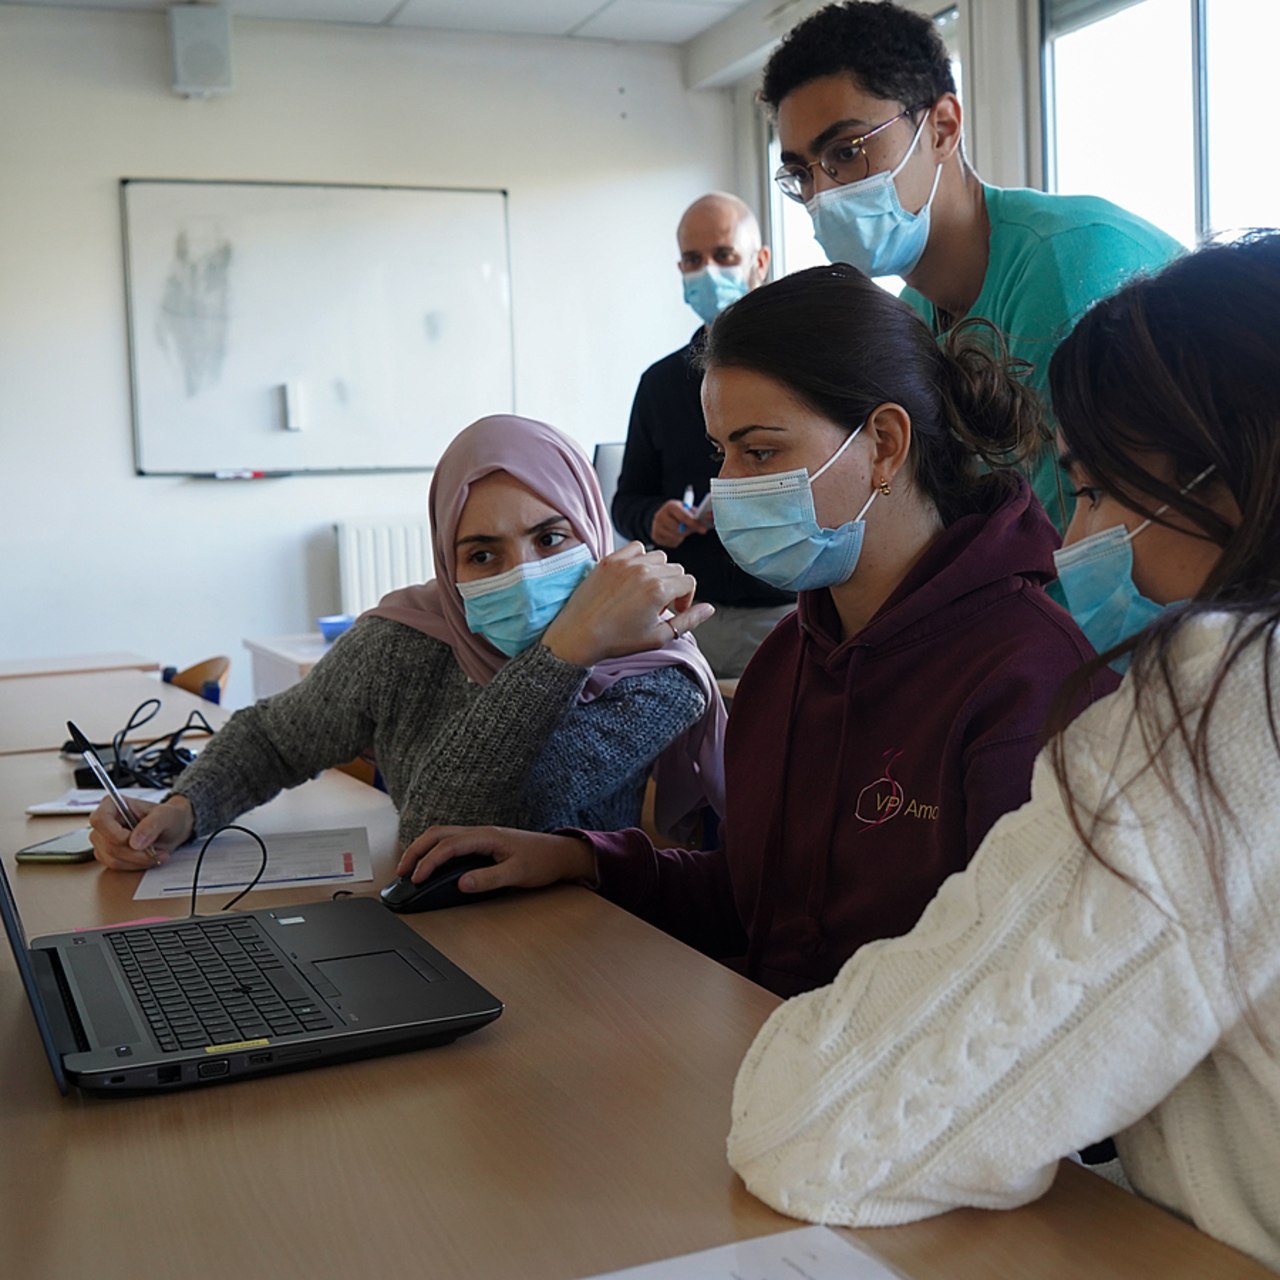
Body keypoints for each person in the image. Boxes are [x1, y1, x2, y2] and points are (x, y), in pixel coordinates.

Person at [724, 234, 1280, 1271]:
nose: (1077, 536)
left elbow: (820, 1129)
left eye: (1099, 490)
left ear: (1229, 473)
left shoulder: (1214, 709)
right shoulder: (790, 658)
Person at [395, 266, 1112, 999]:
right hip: (774, 1061)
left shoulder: (1030, 679)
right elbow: (761, 906)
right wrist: (587, 860)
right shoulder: (788, 664)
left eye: (760, 452)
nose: (725, 488)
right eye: (721, 455)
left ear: (886, 445)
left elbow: (1019, 995)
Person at [89, 415, 726, 870]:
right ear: (449, 569)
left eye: (551, 539)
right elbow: (276, 738)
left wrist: (566, 650)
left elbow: (450, 825)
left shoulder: (652, 669)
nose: (523, 572)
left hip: (584, 948)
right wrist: (186, 806)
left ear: (592, 530)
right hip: (419, 929)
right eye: (482, 553)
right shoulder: (407, 641)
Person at [762, 0, 1184, 533]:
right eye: (801, 173)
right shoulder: (913, 317)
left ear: (941, 128)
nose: (822, 192)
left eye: (847, 151)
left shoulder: (1067, 264)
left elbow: (1100, 545)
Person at [612, 192, 794, 679]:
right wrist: (654, 517)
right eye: (693, 260)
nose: (708, 270)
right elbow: (626, 499)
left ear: (759, 262)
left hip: (787, 611)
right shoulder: (662, 383)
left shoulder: (799, 372)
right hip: (689, 616)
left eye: (724, 255)